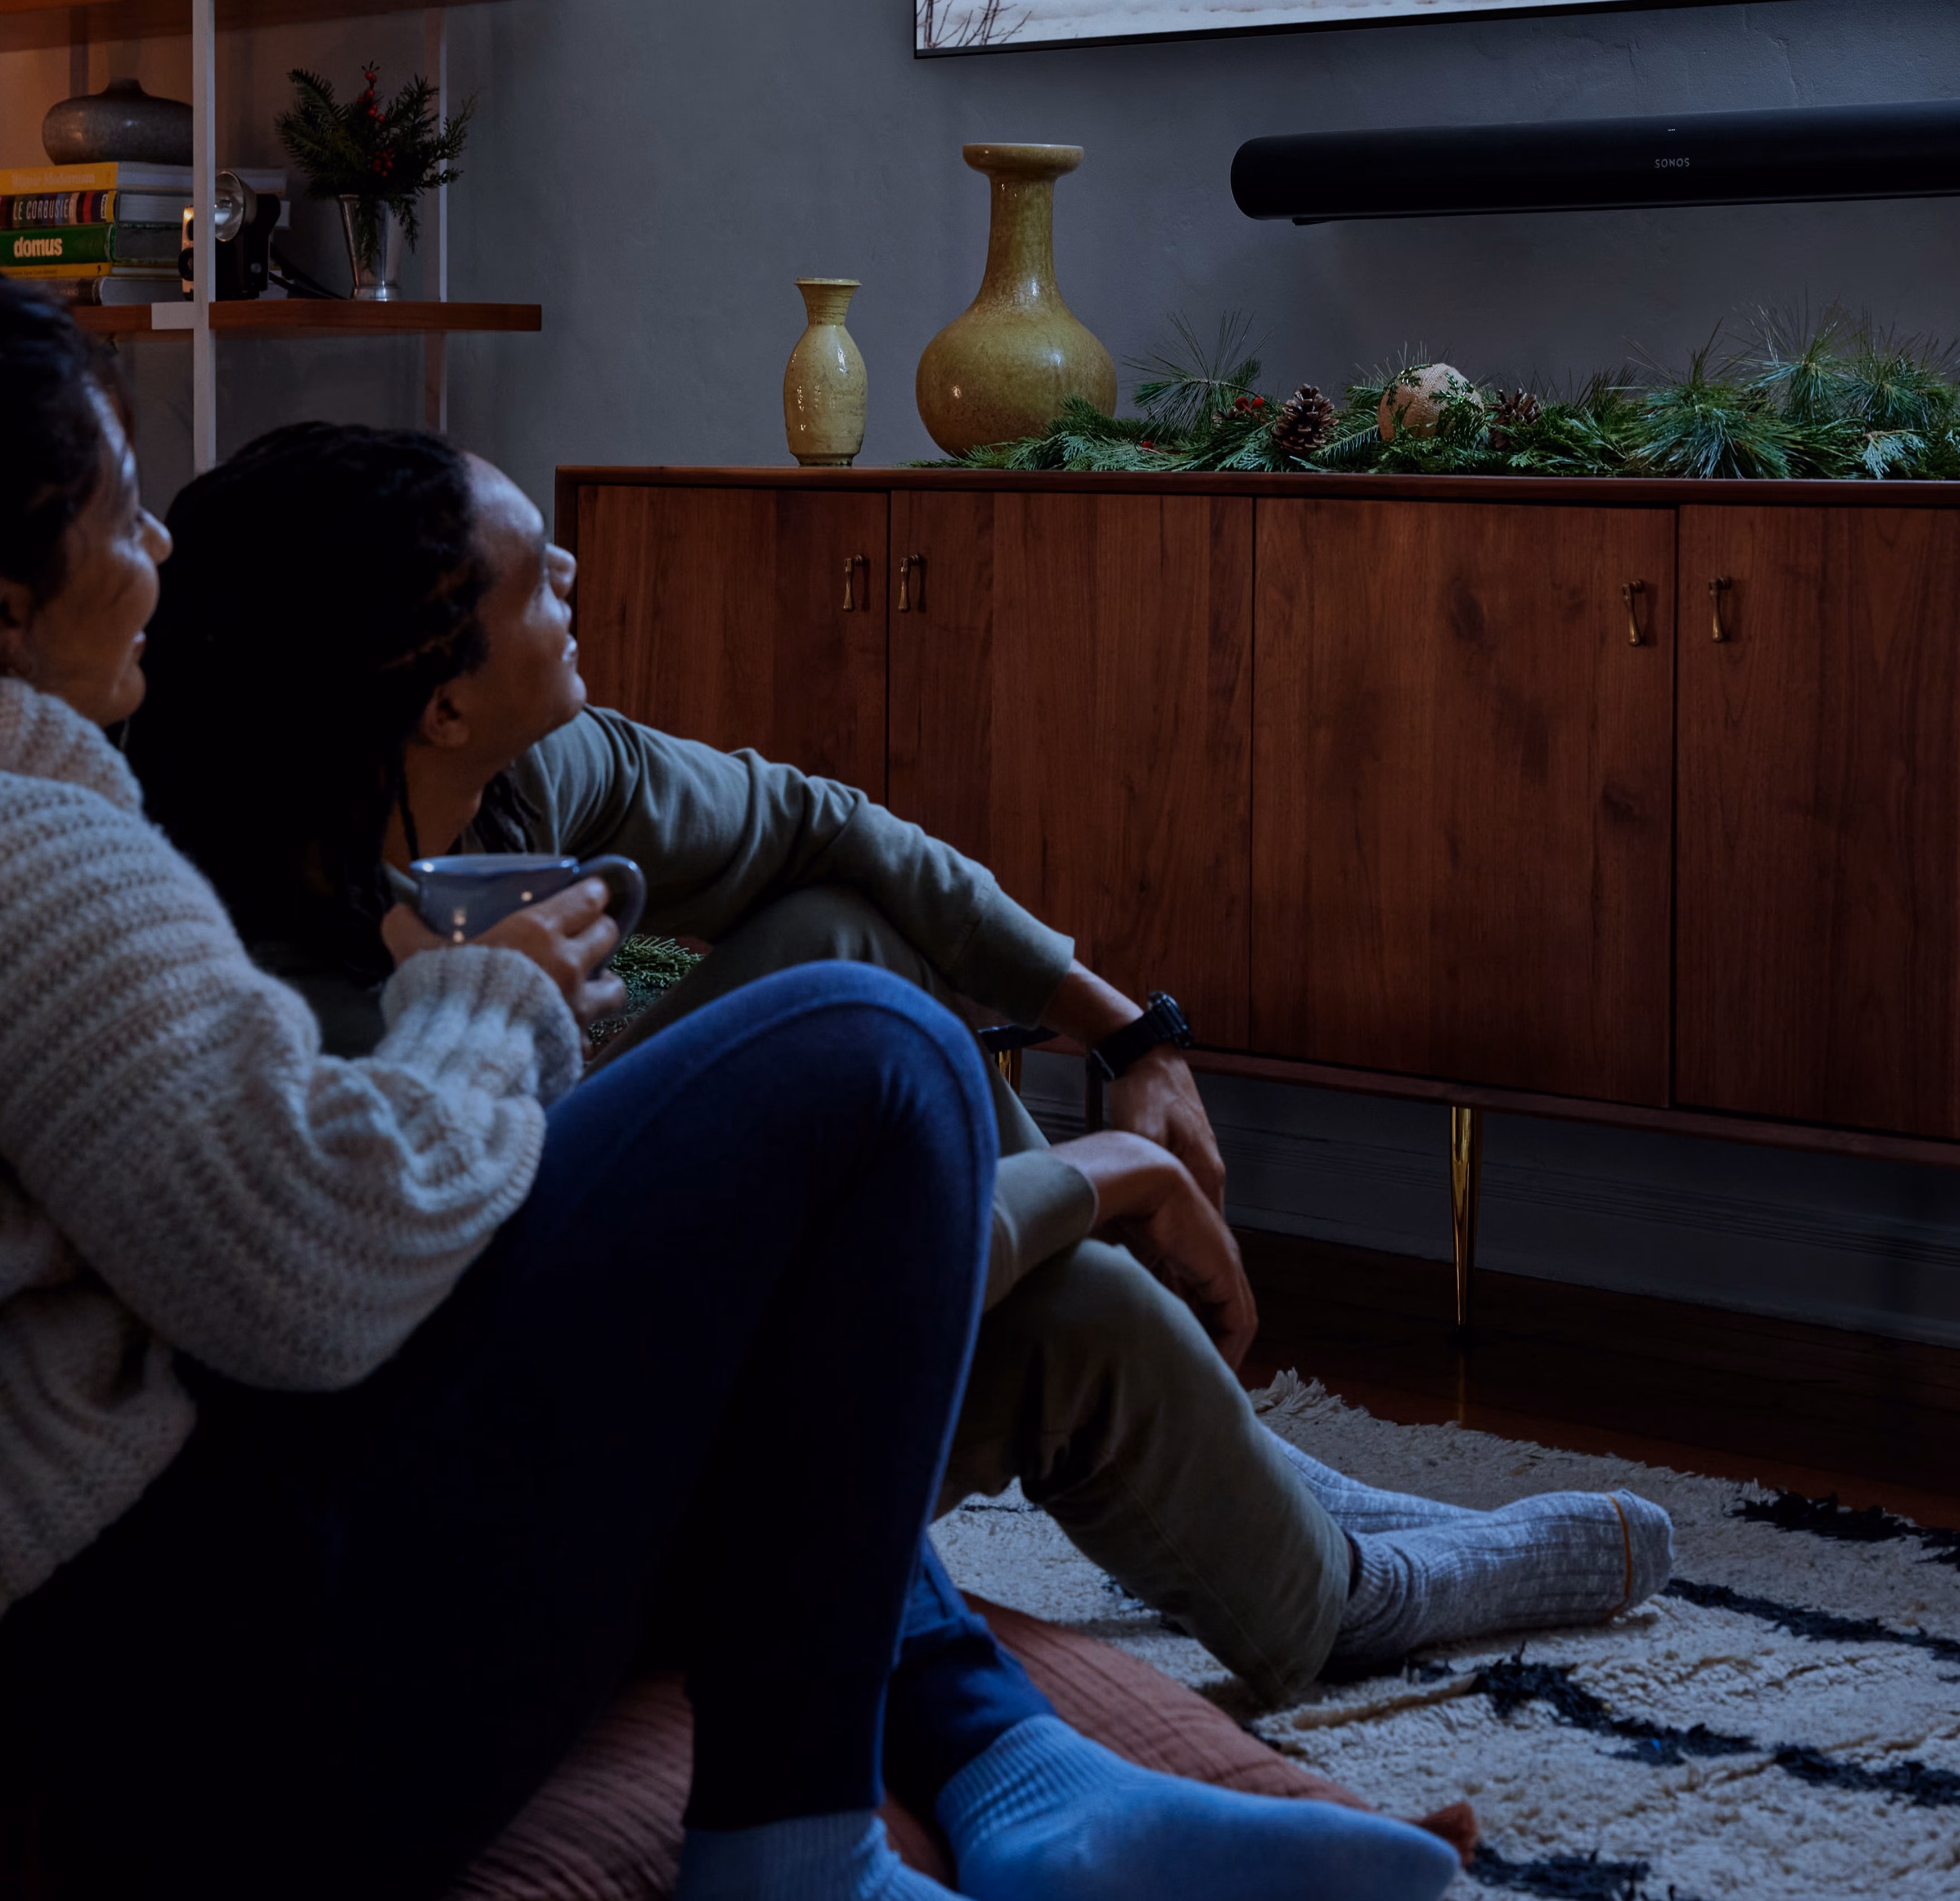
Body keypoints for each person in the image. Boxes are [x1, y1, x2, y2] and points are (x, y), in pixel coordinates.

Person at [0, 257, 1459, 1901]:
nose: (164, 559)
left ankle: (999, 1767)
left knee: (836, 1007)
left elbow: (798, 829)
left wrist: (1126, 1039)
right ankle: (807, 1880)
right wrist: (489, 1007)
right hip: (237, 1724)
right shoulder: (20, 855)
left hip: (167, 1667)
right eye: (123, 516)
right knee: (871, 1049)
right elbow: (308, 1281)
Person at [129, 420, 1678, 1709]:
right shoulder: (248, 990)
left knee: (831, 937)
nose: (578, 575)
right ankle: (1337, 1595)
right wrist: (1101, 1177)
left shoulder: (524, 779)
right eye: (539, 577)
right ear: (438, 693)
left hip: (652, 1319)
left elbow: (821, 828)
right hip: (534, 1447)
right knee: (1065, 1306)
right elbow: (614, 1297)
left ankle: (1269, 1503)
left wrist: (1129, 1039)